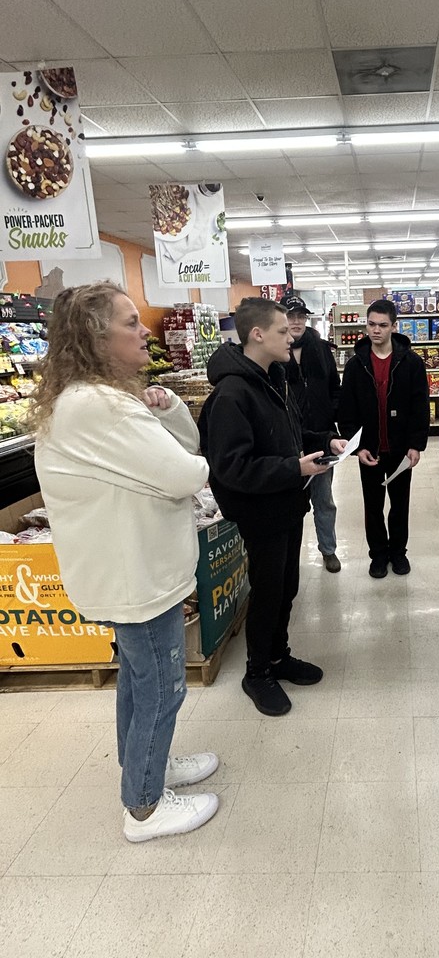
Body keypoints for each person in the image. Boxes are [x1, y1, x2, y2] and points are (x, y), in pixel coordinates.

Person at [31, 282, 219, 844]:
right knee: (162, 685)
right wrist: (181, 454)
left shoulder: (100, 399)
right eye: (131, 322)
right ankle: (143, 805)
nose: (145, 331)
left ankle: (146, 767)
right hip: (133, 572)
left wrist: (172, 407)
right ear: (96, 336)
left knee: (140, 682)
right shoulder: (99, 405)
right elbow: (188, 472)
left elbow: (184, 446)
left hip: (133, 568)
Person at [198, 298, 346, 716]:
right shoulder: (231, 393)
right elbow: (230, 468)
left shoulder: (273, 378)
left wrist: (324, 440)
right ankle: (257, 671)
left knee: (287, 588)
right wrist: (292, 467)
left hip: (286, 503)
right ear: (257, 334)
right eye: (282, 330)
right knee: (267, 592)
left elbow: (291, 432)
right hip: (260, 511)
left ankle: (278, 656)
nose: (291, 335)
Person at [337, 298, 430, 579]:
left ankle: (398, 554)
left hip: (400, 450)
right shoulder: (356, 365)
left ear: (393, 327)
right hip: (370, 451)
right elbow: (347, 410)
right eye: (371, 324)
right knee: (373, 507)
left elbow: (420, 406)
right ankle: (378, 555)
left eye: (382, 325)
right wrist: (358, 448)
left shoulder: (411, 363)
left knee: (400, 506)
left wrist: (416, 444)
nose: (375, 330)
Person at [281, 294, 342, 574]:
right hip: (288, 443)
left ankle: (328, 550)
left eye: (301, 316)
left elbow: (334, 387)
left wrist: (332, 421)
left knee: (324, 499)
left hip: (320, 437)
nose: (296, 321)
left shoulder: (320, 348)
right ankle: (287, 557)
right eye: (290, 316)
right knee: (290, 504)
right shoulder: (275, 352)